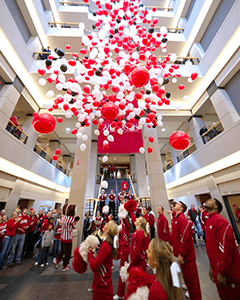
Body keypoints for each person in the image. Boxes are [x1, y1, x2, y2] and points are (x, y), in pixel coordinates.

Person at [204, 198, 240, 300]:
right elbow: (211, 248)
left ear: (216, 207)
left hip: (228, 272)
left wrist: (221, 272)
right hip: (217, 269)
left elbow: (225, 248)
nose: (207, 200)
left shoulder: (220, 221)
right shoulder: (208, 222)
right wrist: (212, 267)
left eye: (210, 200)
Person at [171, 201, 202, 299]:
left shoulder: (182, 219)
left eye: (178, 204)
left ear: (181, 209)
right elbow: (176, 236)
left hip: (187, 257)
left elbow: (185, 238)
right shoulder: (176, 218)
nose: (175, 205)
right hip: (182, 256)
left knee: (193, 281)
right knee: (187, 279)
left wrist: (182, 253)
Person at [88, 220, 119, 300]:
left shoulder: (105, 246)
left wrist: (90, 252)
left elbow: (94, 266)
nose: (104, 224)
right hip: (104, 284)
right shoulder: (107, 244)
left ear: (107, 230)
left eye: (107, 224)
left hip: (102, 287)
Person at [114, 213, 131, 300]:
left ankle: (121, 293)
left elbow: (125, 222)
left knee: (123, 271)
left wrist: (123, 213)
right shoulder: (121, 227)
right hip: (122, 249)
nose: (120, 219)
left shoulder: (127, 227)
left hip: (125, 249)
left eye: (121, 218)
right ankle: (124, 292)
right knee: (123, 272)